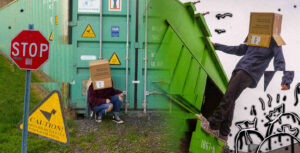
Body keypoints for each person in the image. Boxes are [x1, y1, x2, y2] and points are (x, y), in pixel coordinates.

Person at [198, 38, 293, 142]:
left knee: (229, 96)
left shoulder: (274, 41)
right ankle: (223, 133)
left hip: (249, 72)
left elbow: (280, 60)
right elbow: (237, 49)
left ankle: (211, 124)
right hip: (239, 69)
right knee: (231, 99)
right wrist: (217, 45)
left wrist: (286, 80)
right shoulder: (254, 39)